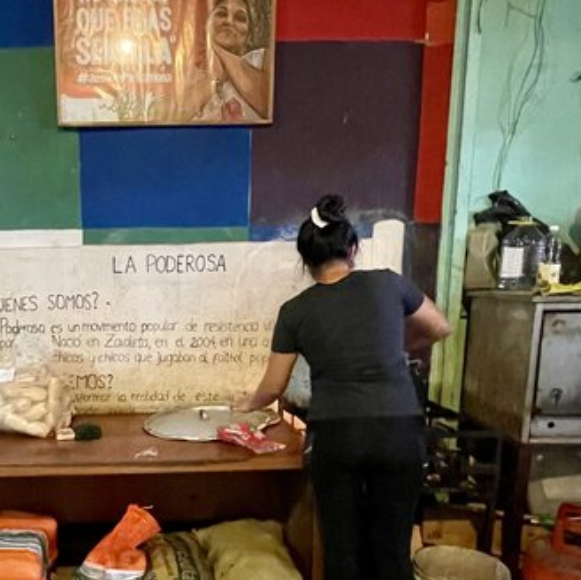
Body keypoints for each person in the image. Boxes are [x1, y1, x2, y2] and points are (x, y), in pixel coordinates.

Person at [237, 195, 451, 580]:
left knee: (341, 551)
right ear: (352, 248)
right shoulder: (389, 283)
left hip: (337, 434)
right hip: (398, 430)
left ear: (306, 259)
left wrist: (244, 405)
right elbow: (440, 327)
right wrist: (400, 347)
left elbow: (273, 386)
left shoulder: (296, 310)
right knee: (391, 550)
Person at [158, 0, 271, 122]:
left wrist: (218, 51)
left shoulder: (262, 58)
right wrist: (214, 78)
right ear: (206, 23)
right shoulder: (183, 72)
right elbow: (166, 119)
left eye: (240, 18)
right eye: (221, 14)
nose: (228, 21)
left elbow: (269, 104)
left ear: (249, 33)